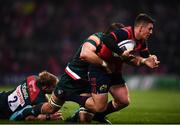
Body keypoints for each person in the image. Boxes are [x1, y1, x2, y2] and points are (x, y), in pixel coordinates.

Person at [12, 13, 159, 123]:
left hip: (89, 81)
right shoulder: (97, 38)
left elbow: (129, 60)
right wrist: (104, 64)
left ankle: (88, 116)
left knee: (85, 117)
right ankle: (29, 110)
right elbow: (85, 54)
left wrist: (143, 61)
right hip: (73, 77)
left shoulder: (119, 48)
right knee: (52, 107)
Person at [67, 13, 160, 123]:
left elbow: (144, 55)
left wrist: (149, 59)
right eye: (150, 29)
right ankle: (70, 96)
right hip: (100, 69)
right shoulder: (125, 32)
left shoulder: (142, 41)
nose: (151, 32)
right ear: (140, 28)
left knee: (124, 101)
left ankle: (98, 116)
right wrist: (121, 53)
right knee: (99, 107)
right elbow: (107, 38)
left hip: (115, 70)